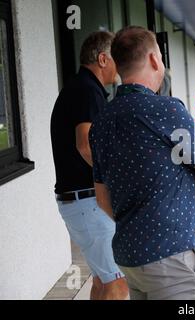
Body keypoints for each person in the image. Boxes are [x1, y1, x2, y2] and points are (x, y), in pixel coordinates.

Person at [89, 26, 195, 300]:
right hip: (170, 260)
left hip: (130, 258)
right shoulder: (167, 110)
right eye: (162, 58)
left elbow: (103, 199)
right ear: (154, 60)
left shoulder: (102, 121)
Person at [50, 31, 129, 300]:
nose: (121, 64)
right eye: (117, 57)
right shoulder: (87, 90)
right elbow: (85, 144)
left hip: (79, 204)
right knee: (118, 284)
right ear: (103, 58)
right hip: (87, 203)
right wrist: (115, 181)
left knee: (102, 281)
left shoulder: (81, 88)